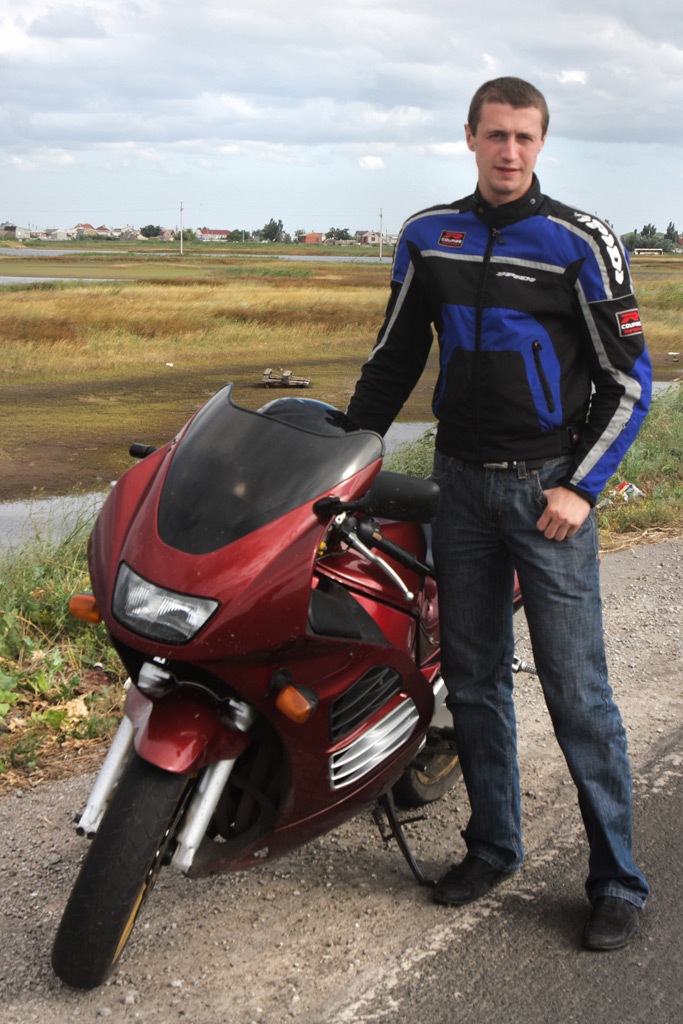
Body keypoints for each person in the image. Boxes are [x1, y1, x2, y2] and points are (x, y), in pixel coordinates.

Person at [347, 76, 651, 951]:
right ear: (470, 137)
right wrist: (344, 456)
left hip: (546, 494)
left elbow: (629, 382)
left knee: (576, 692)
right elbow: (394, 359)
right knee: (472, 680)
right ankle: (491, 846)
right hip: (457, 490)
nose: (508, 151)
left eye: (523, 137)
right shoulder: (426, 236)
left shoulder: (579, 241)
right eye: (494, 135)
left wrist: (579, 488)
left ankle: (615, 879)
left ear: (540, 143)